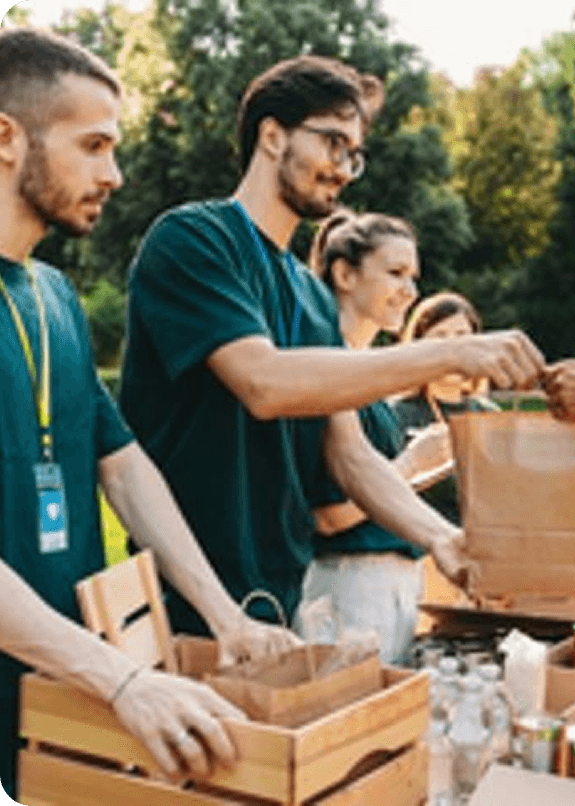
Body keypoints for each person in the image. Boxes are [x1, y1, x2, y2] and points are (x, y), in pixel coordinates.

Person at [118, 55, 545, 639]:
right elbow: (263, 384)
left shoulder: (311, 296)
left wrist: (439, 537)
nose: (345, 168)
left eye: (354, 153)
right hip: (183, 602)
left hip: (278, 600)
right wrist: (448, 354)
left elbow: (351, 456)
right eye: (333, 143)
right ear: (272, 136)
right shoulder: (195, 240)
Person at [0, 27, 300, 797]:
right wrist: (126, 682)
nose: (117, 173)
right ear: (5, 139)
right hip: (84, 679)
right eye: (94, 145)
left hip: (62, 700)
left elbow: (124, 465)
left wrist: (223, 614)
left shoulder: (55, 297)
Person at [296, 210, 454, 663]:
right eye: (396, 273)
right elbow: (328, 515)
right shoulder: (327, 367)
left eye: (414, 277)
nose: (411, 291)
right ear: (344, 273)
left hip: (390, 585)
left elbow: (380, 486)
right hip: (351, 586)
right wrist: (412, 463)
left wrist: (431, 466)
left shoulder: (363, 372)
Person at [391, 291, 499, 526]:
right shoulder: (396, 415)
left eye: (461, 335)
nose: (452, 347)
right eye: (440, 336)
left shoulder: (490, 415)